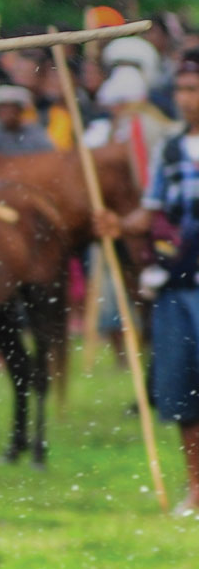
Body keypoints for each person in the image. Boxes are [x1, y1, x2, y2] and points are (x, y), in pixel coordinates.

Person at [97, 54, 199, 515]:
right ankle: (196, 488)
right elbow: (151, 212)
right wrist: (117, 223)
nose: (187, 99)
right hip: (177, 283)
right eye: (182, 89)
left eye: (194, 88)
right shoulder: (172, 149)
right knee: (183, 392)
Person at [0, 84, 55, 156]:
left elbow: (49, 153)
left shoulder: (34, 132)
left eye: (11, 109)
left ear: (19, 110)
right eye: (2, 109)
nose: (7, 113)